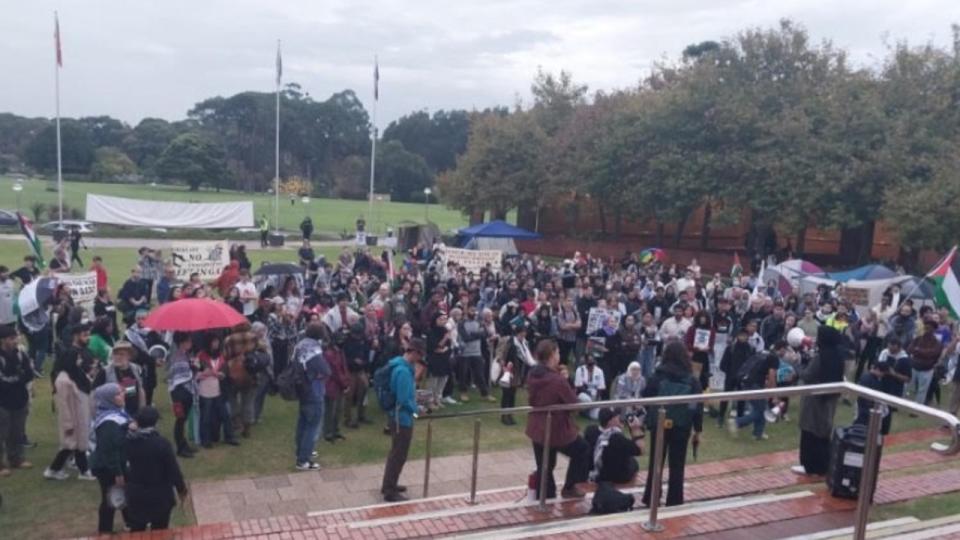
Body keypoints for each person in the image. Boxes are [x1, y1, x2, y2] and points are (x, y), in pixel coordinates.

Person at [525, 339, 590, 500]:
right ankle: (569, 487)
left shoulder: (533, 375)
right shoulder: (557, 380)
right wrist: (567, 381)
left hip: (537, 428)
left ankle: (545, 497)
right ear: (553, 355)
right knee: (582, 449)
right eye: (558, 352)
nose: (559, 355)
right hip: (557, 429)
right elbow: (573, 404)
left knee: (544, 465)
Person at [640, 341, 703, 507]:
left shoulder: (658, 375)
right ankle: (675, 500)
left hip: (660, 423)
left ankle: (651, 497)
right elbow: (697, 405)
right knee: (677, 465)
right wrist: (698, 429)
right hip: (682, 425)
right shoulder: (691, 380)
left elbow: (646, 396)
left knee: (656, 462)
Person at [45, 322, 96, 481]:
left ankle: (81, 469)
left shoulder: (85, 351)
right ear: (76, 336)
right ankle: (56, 469)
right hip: (75, 397)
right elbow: (66, 378)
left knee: (81, 434)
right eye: (84, 335)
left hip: (83, 394)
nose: (87, 337)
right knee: (73, 436)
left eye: (88, 334)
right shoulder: (71, 354)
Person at [124, 407, 188, 532]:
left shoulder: (129, 441)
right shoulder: (161, 443)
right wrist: (181, 489)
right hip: (160, 496)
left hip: (137, 495)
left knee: (137, 531)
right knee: (160, 531)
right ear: (155, 423)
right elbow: (173, 470)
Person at [793, 325, 845, 476]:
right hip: (829, 400)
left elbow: (808, 375)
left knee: (809, 431)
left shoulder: (821, 357)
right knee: (823, 432)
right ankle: (823, 465)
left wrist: (796, 364)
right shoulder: (837, 355)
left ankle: (809, 466)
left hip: (814, 400)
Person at [381, 338, 426, 502]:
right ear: (414, 353)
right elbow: (403, 399)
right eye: (419, 356)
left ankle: (390, 483)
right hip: (402, 419)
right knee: (399, 454)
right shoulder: (403, 372)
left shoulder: (400, 367)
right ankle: (389, 490)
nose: (419, 360)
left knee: (396, 453)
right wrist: (416, 411)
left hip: (398, 417)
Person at [89, 383, 131, 534]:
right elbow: (110, 451)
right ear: (108, 399)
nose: (122, 395)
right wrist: (118, 473)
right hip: (108, 467)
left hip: (116, 463)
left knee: (124, 493)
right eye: (118, 394)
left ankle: (130, 523)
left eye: (121, 392)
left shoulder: (116, 413)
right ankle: (105, 531)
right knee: (111, 499)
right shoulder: (108, 422)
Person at [292, 323, 330, 471]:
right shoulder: (314, 349)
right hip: (314, 389)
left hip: (302, 388)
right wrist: (320, 373)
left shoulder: (300, 345)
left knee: (302, 422)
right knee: (312, 426)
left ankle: (300, 453)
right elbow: (325, 370)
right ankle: (303, 460)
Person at [0, 325, 33, 476]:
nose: (15, 341)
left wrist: (17, 379)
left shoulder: (21, 353)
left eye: (15, 337)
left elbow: (29, 373)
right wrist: (17, 378)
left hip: (20, 398)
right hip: (3, 401)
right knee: (2, 433)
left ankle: (16, 459)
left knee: (17, 431)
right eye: (11, 338)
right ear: (3, 340)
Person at [726, 348, 778, 441]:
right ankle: (737, 422)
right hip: (754, 384)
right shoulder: (774, 358)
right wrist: (773, 394)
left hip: (745, 381)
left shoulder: (761, 353)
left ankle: (758, 434)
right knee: (760, 411)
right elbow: (772, 376)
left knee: (760, 408)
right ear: (781, 349)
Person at [196, 335, 238, 448]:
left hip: (219, 390)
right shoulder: (201, 356)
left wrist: (222, 374)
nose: (216, 344)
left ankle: (230, 436)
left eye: (217, 342)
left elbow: (225, 371)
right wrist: (203, 373)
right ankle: (206, 439)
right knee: (206, 416)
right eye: (214, 342)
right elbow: (195, 373)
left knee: (225, 414)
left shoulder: (221, 356)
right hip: (205, 390)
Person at [585, 408, 643, 485]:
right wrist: (635, 429)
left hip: (597, 473)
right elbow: (640, 449)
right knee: (634, 462)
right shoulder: (616, 438)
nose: (620, 418)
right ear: (610, 421)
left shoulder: (590, 431)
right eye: (617, 417)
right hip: (617, 477)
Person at [167, 332, 198, 458]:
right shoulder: (178, 357)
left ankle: (184, 444)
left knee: (183, 420)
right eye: (188, 341)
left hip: (185, 391)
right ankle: (180, 447)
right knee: (180, 420)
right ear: (182, 343)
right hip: (180, 393)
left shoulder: (184, 355)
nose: (190, 343)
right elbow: (183, 376)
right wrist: (194, 368)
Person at [94, 341, 146, 417]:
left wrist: (142, 411)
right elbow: (94, 394)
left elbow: (140, 390)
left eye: (121, 354)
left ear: (129, 356)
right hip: (113, 415)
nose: (117, 357)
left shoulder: (136, 368)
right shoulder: (105, 371)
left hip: (134, 412)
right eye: (115, 354)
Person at [907, 318, 943, 406]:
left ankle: (917, 408)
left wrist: (918, 350)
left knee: (922, 390)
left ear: (934, 330)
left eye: (929, 328)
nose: (927, 330)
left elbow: (933, 353)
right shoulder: (918, 339)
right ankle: (906, 404)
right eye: (925, 328)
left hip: (927, 369)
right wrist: (923, 352)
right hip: (914, 366)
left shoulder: (937, 343)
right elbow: (909, 349)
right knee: (909, 387)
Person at [574, 354, 606, 420]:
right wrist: (589, 395)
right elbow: (579, 386)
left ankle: (587, 412)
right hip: (583, 394)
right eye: (589, 363)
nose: (591, 365)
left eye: (592, 363)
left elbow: (601, 387)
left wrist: (596, 400)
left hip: (595, 395)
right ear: (585, 362)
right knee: (587, 400)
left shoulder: (599, 371)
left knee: (596, 417)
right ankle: (582, 410)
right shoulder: (580, 370)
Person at [0, 266, 16, 330]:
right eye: (4, 273)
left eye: (7, 273)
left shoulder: (10, 282)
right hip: (1, 315)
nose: (7, 274)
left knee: (11, 332)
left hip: (11, 314)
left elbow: (13, 295)